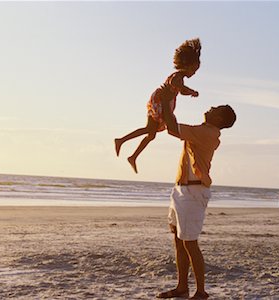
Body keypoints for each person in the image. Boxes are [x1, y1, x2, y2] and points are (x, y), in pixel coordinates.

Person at [156, 86, 236, 299]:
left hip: (193, 192)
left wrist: (165, 101)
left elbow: (172, 128)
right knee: (178, 240)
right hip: (181, 189)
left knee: (190, 242)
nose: (209, 108)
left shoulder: (208, 133)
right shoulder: (202, 130)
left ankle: (201, 292)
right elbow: (172, 126)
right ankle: (182, 287)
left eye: (215, 108)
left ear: (219, 118)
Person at [115, 38, 202, 173]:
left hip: (163, 101)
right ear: (187, 66)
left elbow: (181, 90)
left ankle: (132, 155)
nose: (194, 73)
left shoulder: (181, 78)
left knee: (151, 134)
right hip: (161, 101)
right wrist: (191, 91)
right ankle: (122, 142)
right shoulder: (178, 76)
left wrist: (189, 92)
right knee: (150, 129)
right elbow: (177, 85)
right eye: (194, 70)